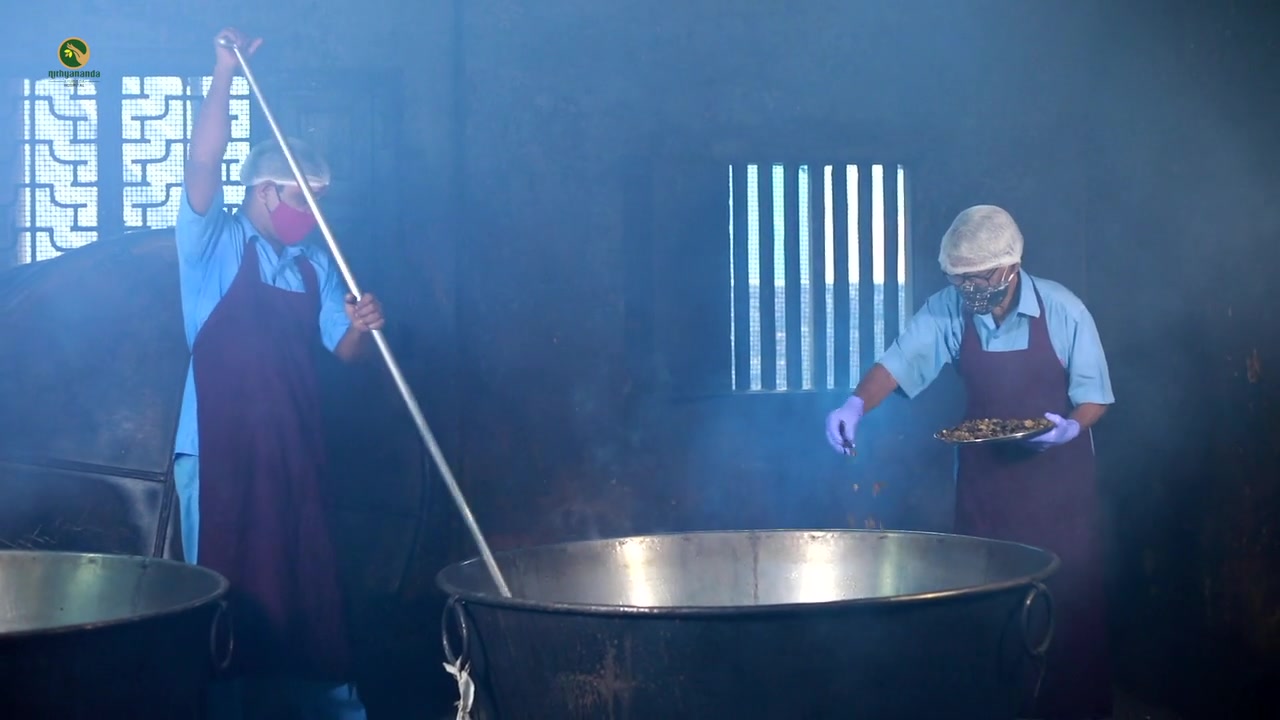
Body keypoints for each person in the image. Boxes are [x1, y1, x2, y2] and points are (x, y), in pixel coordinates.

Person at [824, 205, 1115, 720]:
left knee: (1069, 600)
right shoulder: (948, 310)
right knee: (988, 600)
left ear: (1010, 266)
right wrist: (855, 405)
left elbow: (1094, 396)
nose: (968, 289)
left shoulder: (1064, 309)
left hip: (1060, 488)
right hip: (986, 487)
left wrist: (1070, 428)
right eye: (959, 279)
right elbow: (897, 363)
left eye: (978, 277)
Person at [172, 27, 383, 720]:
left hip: (295, 449)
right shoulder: (213, 244)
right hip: (221, 453)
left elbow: (343, 353)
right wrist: (224, 74)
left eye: (318, 200)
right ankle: (222, 710)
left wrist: (362, 325)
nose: (310, 215)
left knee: (305, 581)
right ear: (263, 192)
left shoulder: (314, 265)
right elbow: (203, 163)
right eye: (302, 198)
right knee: (226, 589)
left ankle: (324, 707)